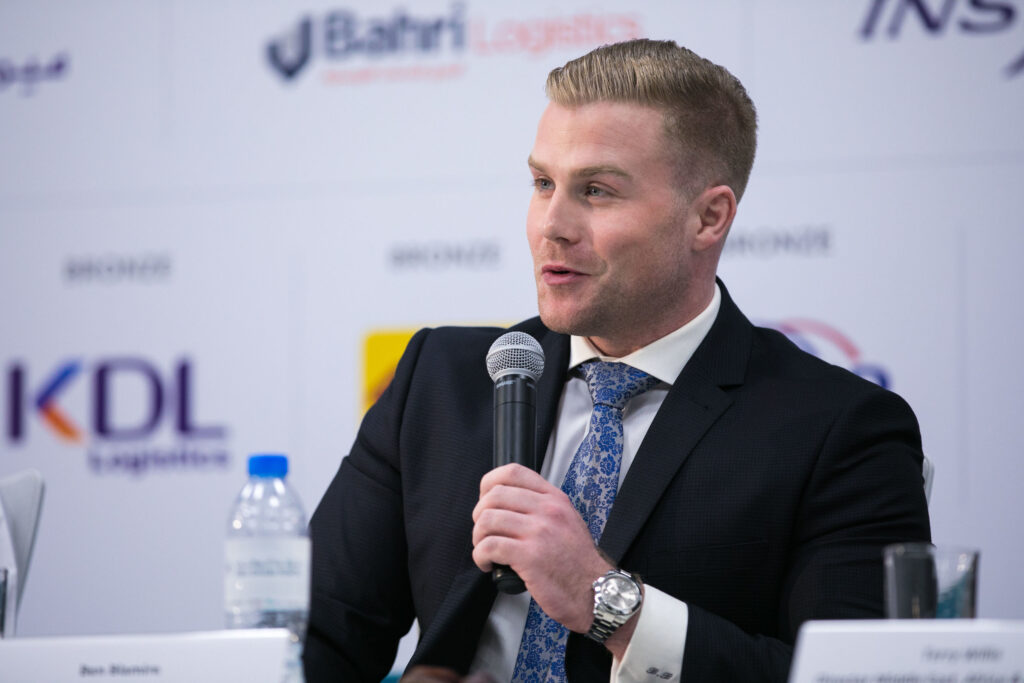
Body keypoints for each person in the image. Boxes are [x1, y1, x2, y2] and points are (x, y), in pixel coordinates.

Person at [303, 39, 931, 682]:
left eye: (597, 191)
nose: (552, 225)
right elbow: (314, 640)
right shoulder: (439, 380)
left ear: (709, 217)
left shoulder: (838, 429)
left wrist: (609, 603)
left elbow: (861, 677)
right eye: (543, 183)